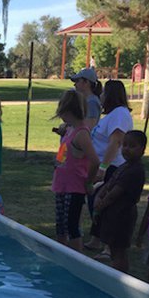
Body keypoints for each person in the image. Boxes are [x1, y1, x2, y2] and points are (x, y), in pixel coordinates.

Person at [84, 79, 134, 252]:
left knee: (104, 203)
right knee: (94, 201)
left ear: (111, 94)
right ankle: (96, 238)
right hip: (100, 164)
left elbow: (116, 141)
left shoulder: (120, 114)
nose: (102, 96)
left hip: (111, 166)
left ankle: (108, 245)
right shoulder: (111, 115)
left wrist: (103, 168)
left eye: (105, 92)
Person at [90, 130, 147, 273]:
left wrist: (100, 206)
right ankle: (116, 272)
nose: (127, 149)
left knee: (119, 250)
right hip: (112, 213)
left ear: (142, 150)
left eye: (132, 146)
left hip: (123, 215)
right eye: (125, 145)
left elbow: (115, 193)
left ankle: (120, 275)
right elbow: (108, 185)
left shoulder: (135, 170)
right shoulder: (123, 166)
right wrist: (98, 197)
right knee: (113, 247)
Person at [50, 90, 100, 252]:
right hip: (62, 184)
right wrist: (58, 162)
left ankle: (77, 259)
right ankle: (61, 255)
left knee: (72, 225)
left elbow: (95, 160)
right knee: (61, 225)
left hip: (74, 186)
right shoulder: (70, 129)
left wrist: (88, 182)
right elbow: (65, 151)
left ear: (69, 111)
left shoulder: (81, 134)